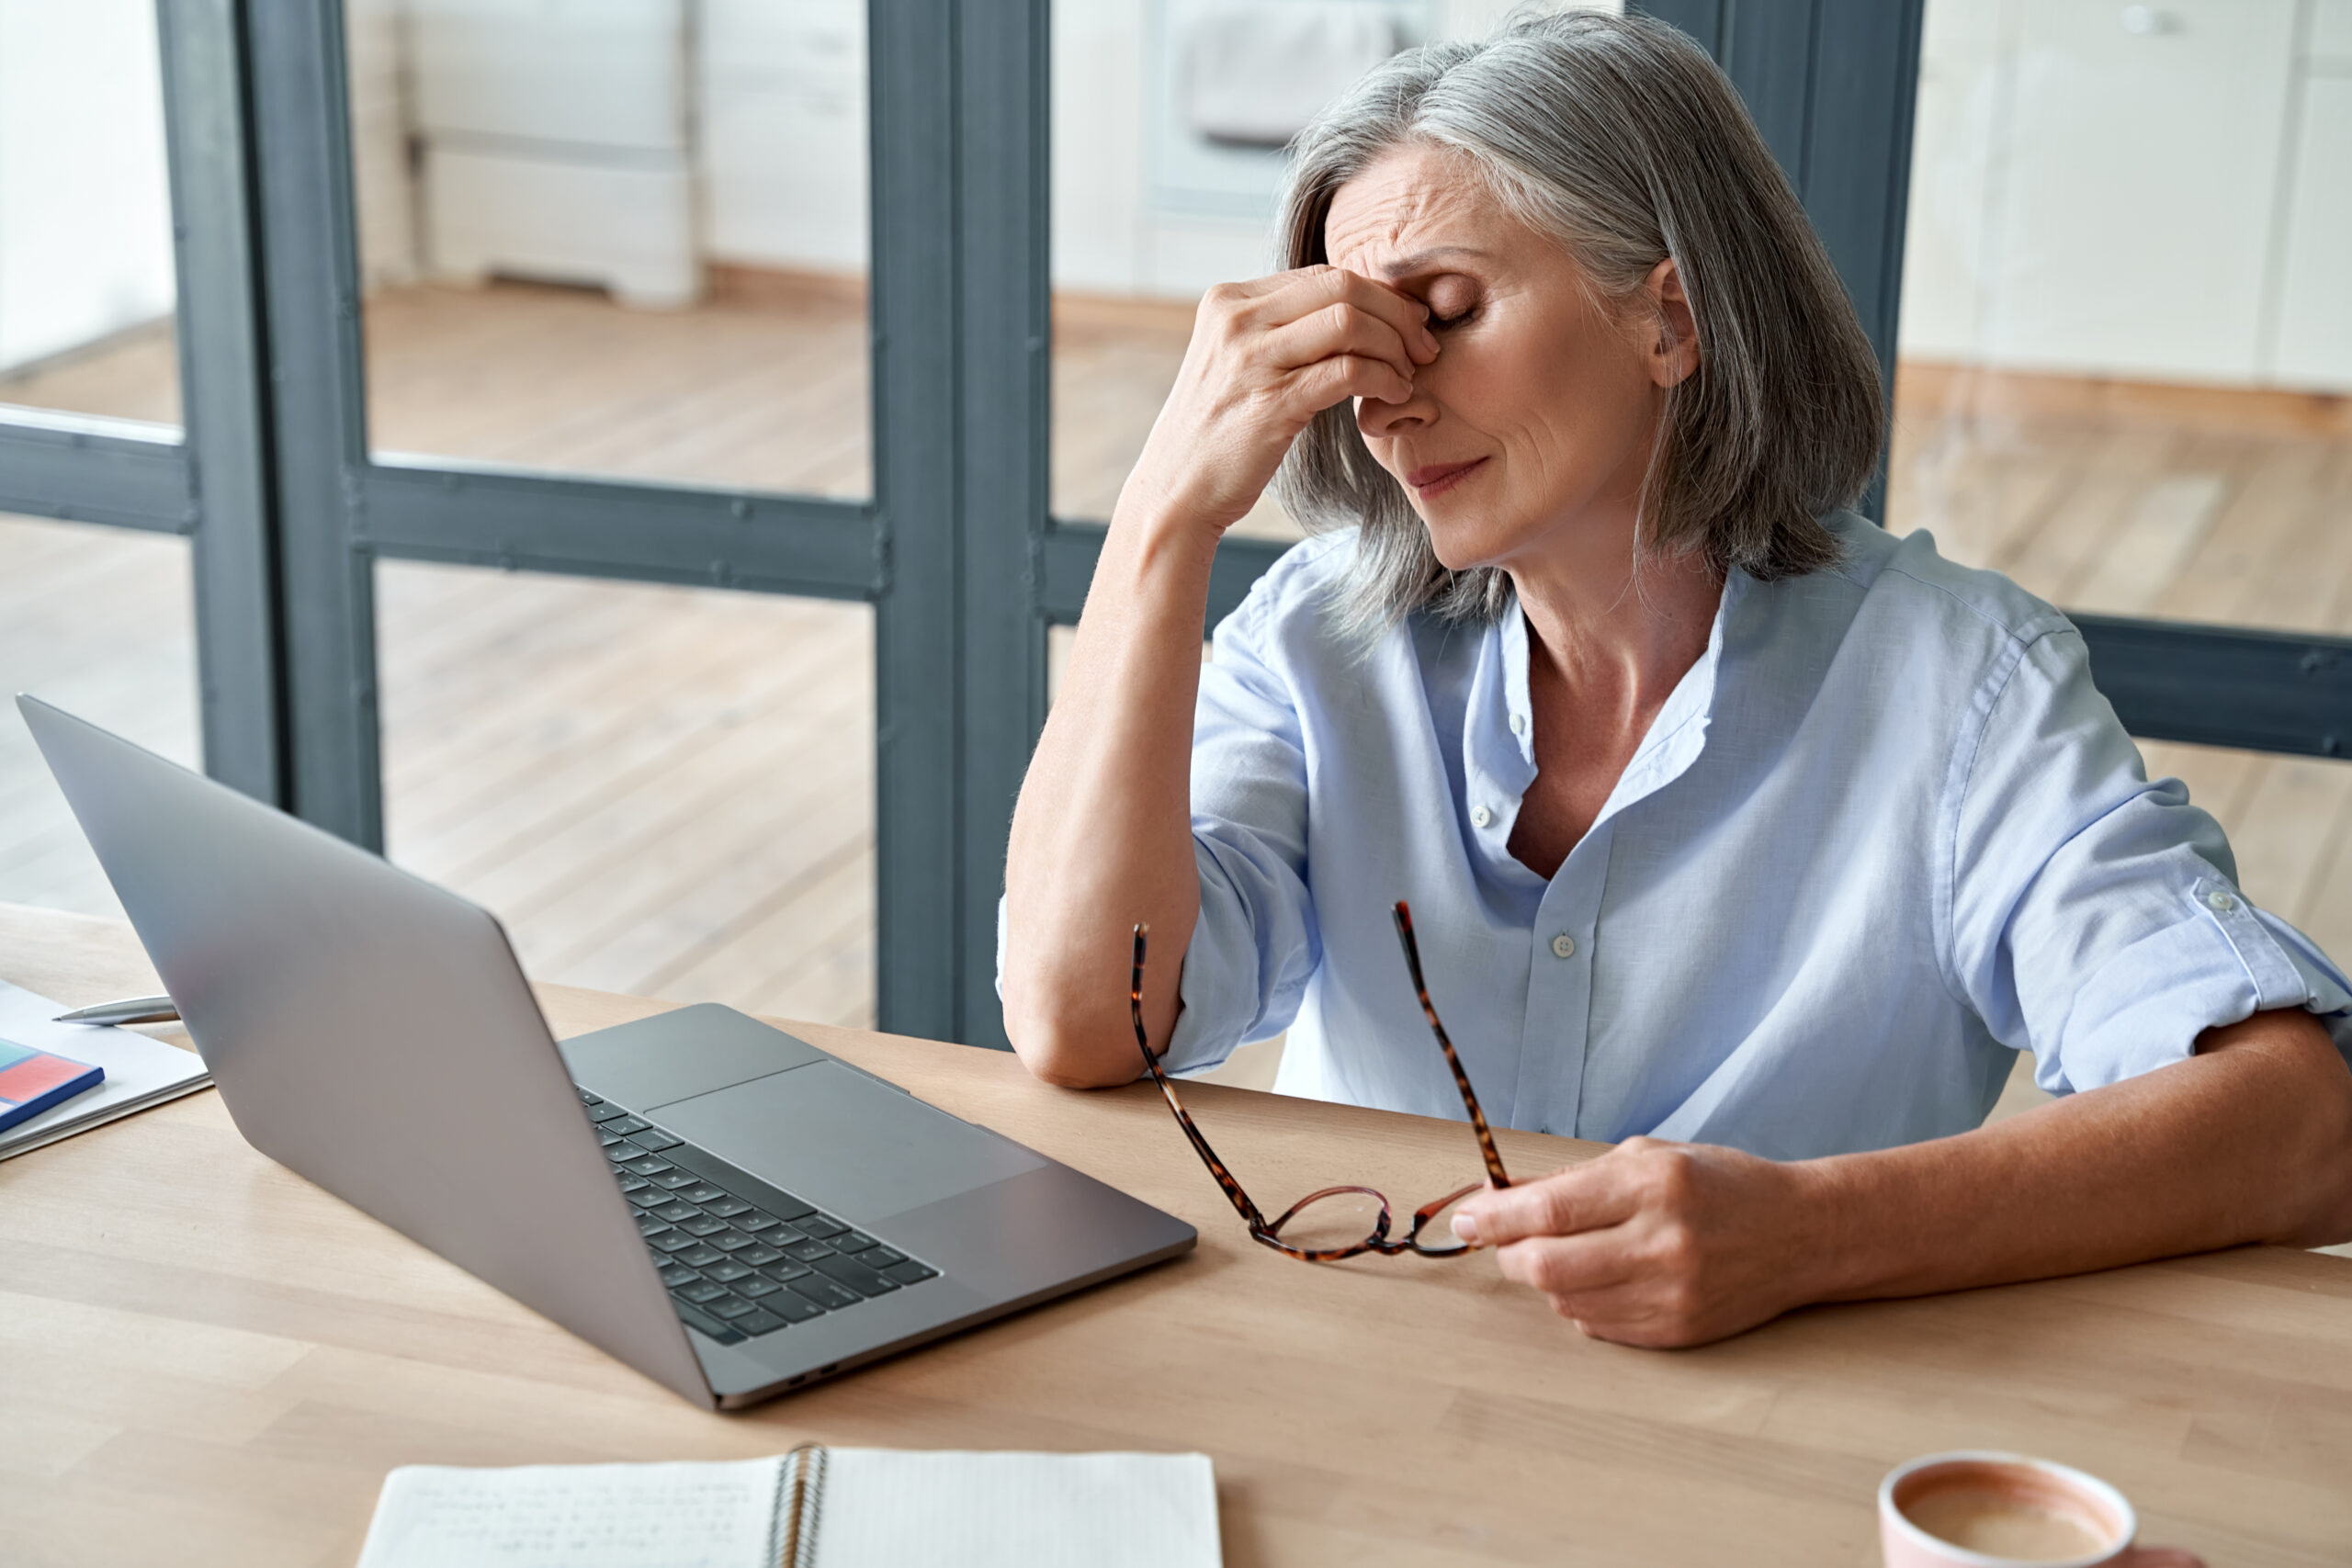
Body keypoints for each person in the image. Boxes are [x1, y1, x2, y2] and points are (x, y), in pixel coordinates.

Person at [996, 11, 2352, 1350]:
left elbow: (2302, 1121)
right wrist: (1164, 514)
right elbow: (1083, 1021)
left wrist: (1814, 1233)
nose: (1384, 400)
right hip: (1372, 1394)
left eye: (1445, 314)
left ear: (1674, 318)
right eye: (1358, 342)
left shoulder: (1960, 688)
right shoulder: (1319, 640)